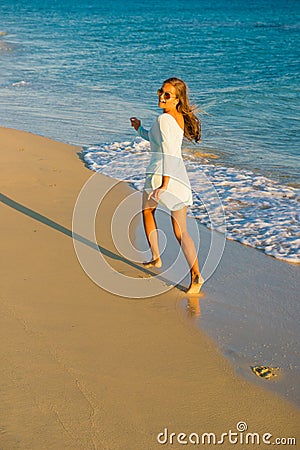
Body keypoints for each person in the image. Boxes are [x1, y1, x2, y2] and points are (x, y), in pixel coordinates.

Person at [130, 77, 204, 294]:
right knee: (181, 232)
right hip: (178, 177)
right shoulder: (176, 118)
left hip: (161, 175)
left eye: (167, 95)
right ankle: (196, 276)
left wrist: (163, 184)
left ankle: (156, 257)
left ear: (177, 99)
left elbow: (168, 153)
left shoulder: (164, 120)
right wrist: (139, 128)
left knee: (146, 211)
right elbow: (157, 142)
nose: (162, 97)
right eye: (160, 92)